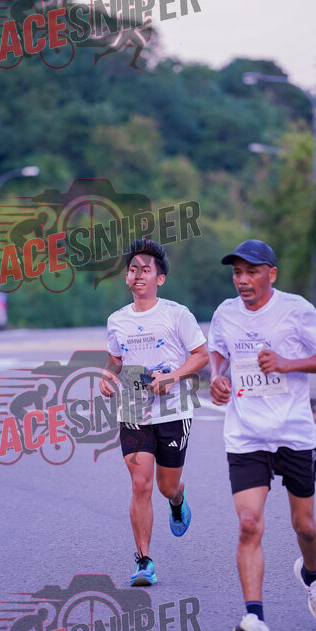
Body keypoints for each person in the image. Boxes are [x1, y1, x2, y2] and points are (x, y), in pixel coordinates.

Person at [208, 239, 316, 631]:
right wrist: (216, 376)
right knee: (249, 523)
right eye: (237, 272)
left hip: (293, 433)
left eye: (251, 272)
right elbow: (217, 350)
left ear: (272, 273)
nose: (243, 280)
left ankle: (311, 575)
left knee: (305, 527)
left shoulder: (295, 309)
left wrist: (289, 363)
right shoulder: (225, 313)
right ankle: (255, 620)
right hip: (246, 434)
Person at [99, 239, 208, 586]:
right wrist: (107, 375)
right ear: (126, 277)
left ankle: (177, 499)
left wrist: (172, 378)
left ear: (160, 278)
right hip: (133, 408)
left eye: (145, 270)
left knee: (166, 486)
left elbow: (201, 355)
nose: (138, 275)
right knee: (140, 484)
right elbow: (115, 359)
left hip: (174, 408)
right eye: (133, 269)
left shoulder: (177, 314)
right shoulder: (117, 320)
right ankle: (144, 561)